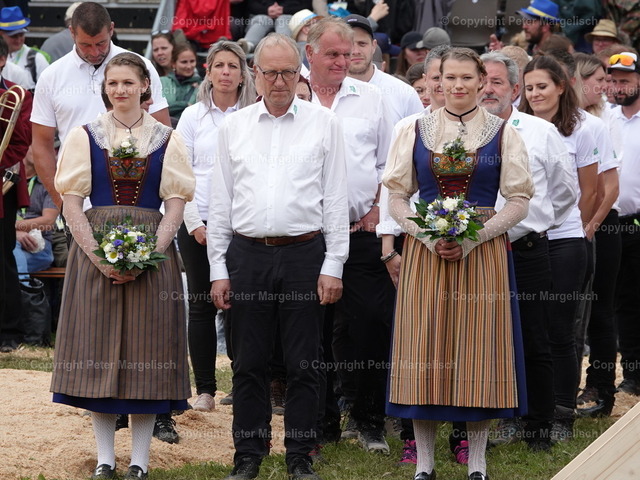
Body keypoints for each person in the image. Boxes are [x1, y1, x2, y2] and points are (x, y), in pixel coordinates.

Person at [383, 47, 533, 480]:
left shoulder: (503, 133)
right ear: (437, 81)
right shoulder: (413, 129)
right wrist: (426, 235)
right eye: (449, 77)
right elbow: (396, 196)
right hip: (426, 252)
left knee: (478, 350)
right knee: (424, 348)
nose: (458, 85)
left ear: (482, 81)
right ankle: (424, 465)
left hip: (482, 253)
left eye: (467, 77)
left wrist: (474, 238)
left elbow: (519, 200)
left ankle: (477, 463)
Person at [208, 32, 349, 480]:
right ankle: (248, 453)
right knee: (248, 361)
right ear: (255, 74)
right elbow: (220, 203)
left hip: (305, 253)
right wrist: (217, 269)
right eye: (270, 73)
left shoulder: (324, 124)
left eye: (288, 72)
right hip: (247, 254)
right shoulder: (233, 127)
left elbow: (336, 199)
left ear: (299, 72)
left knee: (304, 361)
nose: (280, 81)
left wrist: (334, 264)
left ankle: (300, 454)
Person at [50, 52, 195, 480]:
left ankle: (140, 462)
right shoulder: (84, 136)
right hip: (94, 251)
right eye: (112, 83)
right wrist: (99, 258)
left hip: (153, 254)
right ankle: (104, 460)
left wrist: (150, 255)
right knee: (97, 351)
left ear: (145, 86)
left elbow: (175, 206)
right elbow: (72, 204)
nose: (120, 90)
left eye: (128, 83)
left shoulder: (167, 138)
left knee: (148, 353)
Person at [479, 51, 577, 451]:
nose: (487, 88)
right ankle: (500, 419)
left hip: (527, 249)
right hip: (478, 252)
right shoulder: (464, 132)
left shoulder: (540, 132)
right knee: (488, 339)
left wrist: (537, 222)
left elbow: (565, 191)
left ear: (515, 89)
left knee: (535, 339)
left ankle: (539, 428)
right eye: (482, 80)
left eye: (497, 82)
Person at [306, 16, 394, 454]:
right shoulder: (292, 97)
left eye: (348, 53)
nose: (344, 61)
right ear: (310, 53)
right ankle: (322, 422)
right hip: (307, 235)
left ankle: (369, 419)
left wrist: (377, 209)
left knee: (371, 324)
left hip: (361, 231)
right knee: (313, 330)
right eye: (333, 54)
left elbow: (389, 165)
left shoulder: (373, 99)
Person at [520, 54, 604, 442]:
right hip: (526, 240)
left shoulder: (583, 128)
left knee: (560, 330)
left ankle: (562, 414)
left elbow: (589, 190)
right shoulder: (517, 127)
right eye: (529, 87)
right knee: (528, 328)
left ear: (561, 86)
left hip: (565, 239)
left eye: (542, 86)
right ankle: (527, 411)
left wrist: (567, 226)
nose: (535, 94)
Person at [176, 40, 256, 413]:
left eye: (233, 66)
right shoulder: (192, 117)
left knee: (239, 305)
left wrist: (238, 225)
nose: (225, 72)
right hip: (198, 220)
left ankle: (242, 386)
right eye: (219, 65)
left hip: (241, 223)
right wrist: (195, 224)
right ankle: (205, 389)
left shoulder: (253, 115)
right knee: (201, 304)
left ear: (243, 75)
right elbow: (182, 173)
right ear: (208, 71)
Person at [31, 1, 170, 211]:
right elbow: (41, 145)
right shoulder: (51, 76)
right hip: (75, 199)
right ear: (71, 32)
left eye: (101, 43)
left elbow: (164, 135)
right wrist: (61, 203)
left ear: (112, 29)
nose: (95, 52)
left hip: (138, 198)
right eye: (86, 45)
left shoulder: (142, 66)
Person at [570, 52, 622, 418]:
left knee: (600, 309)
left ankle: (602, 388)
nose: (605, 87)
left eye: (607, 81)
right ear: (578, 79)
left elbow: (609, 187)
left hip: (601, 224)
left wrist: (590, 226)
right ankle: (565, 386)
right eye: (599, 80)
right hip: (569, 226)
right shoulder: (564, 120)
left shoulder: (604, 121)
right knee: (571, 311)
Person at [608, 51, 640, 396]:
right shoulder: (606, 120)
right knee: (623, 300)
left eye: (625, 81)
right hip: (615, 222)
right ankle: (632, 373)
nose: (619, 87)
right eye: (614, 81)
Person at [0, 36, 32, 353]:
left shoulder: (17, 94)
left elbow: (21, 143)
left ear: (2, 60)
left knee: (3, 256)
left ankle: (9, 331)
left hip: (2, 185)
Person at [344, 14, 423, 123]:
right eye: (349, 44)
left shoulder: (404, 93)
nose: (356, 51)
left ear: (373, 46)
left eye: (362, 44)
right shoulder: (326, 92)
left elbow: (420, 132)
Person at [13, 150, 58, 277]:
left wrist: (12, 228)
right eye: (33, 143)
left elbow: (48, 222)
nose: (38, 149)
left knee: (10, 260)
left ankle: (22, 287)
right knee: (12, 254)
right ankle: (24, 287)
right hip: (10, 243)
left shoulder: (50, 184)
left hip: (39, 246)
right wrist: (14, 234)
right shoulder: (7, 181)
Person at [0, 6, 50, 91]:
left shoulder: (36, 58)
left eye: (21, 35)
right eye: (13, 36)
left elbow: (48, 89)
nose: (18, 39)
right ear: (1, 34)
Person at [237, 0, 313, 54]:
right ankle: (247, 45)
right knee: (262, 19)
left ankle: (284, 46)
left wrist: (284, 10)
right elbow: (250, 4)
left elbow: (306, 5)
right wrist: (267, 10)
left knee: (284, 20)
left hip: (289, 15)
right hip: (261, 15)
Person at [161, 42, 201, 124]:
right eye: (184, 62)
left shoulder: (202, 86)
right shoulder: (162, 82)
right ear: (173, 64)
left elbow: (199, 113)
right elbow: (160, 109)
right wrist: (185, 104)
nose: (189, 66)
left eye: (192, 61)